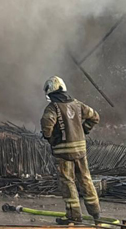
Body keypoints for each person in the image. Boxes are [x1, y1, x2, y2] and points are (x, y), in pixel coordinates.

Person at [40, 76, 101, 225]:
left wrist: (51, 138)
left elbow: (47, 124)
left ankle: (74, 216)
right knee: (85, 179)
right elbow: (95, 117)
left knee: (68, 182)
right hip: (80, 150)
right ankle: (95, 212)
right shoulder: (77, 104)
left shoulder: (53, 107)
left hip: (63, 152)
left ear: (50, 92)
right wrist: (85, 130)